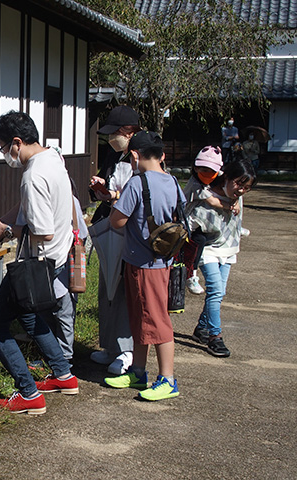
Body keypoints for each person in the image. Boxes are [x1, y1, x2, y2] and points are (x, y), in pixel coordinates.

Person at [0, 111, 78, 415]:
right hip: (57, 259)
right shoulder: (54, 158)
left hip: (35, 264)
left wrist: (6, 230)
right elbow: (28, 207)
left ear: (17, 142)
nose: (4, 155)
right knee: (30, 316)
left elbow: (43, 230)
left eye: (2, 147)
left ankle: (28, 393)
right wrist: (3, 222)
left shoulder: (32, 176)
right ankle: (64, 375)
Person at [103, 131, 185, 401]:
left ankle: (168, 379)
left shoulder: (136, 184)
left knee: (157, 321)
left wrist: (115, 202)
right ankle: (138, 372)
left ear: (135, 155)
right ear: (161, 155)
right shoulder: (173, 181)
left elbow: (117, 221)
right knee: (140, 317)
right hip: (164, 260)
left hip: (142, 263)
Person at [89, 105, 141, 375]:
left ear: (129, 132)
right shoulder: (113, 154)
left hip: (131, 232)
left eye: (115, 134)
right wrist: (101, 189)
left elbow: (140, 195)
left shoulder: (142, 157)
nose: (111, 140)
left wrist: (116, 197)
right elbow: (112, 190)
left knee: (123, 292)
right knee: (107, 288)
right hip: (109, 227)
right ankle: (109, 345)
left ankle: (127, 350)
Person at [187, 159, 257, 357]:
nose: (241, 190)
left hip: (228, 250)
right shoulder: (203, 195)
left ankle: (201, 328)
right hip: (208, 250)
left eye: (246, 188)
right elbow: (190, 223)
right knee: (216, 291)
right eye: (238, 184)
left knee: (219, 292)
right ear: (226, 176)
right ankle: (214, 337)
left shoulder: (236, 197)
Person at [183, 146, 238, 295]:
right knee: (198, 242)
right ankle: (191, 275)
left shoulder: (221, 177)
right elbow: (213, 201)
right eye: (202, 170)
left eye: (210, 171)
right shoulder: (195, 183)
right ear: (195, 168)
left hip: (207, 220)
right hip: (191, 220)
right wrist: (230, 207)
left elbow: (233, 191)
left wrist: (236, 202)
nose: (206, 174)